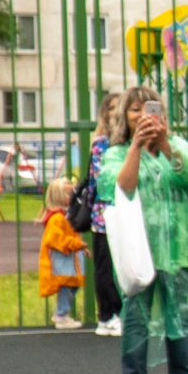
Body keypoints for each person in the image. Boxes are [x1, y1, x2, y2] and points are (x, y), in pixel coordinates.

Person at [100, 86, 188, 374]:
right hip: (139, 251)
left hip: (177, 247)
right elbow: (120, 187)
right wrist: (137, 147)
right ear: (124, 116)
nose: (142, 116)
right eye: (134, 110)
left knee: (179, 319)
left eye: (148, 109)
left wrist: (166, 146)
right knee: (137, 318)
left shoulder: (177, 147)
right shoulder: (115, 153)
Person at [86, 93, 127, 337]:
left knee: (124, 264)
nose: (115, 112)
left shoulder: (128, 141)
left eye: (118, 107)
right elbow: (102, 180)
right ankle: (107, 314)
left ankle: (120, 313)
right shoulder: (102, 143)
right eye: (111, 108)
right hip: (104, 213)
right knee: (105, 265)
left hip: (126, 212)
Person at [39, 178, 87, 330]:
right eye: (68, 193)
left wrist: (80, 247)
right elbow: (56, 239)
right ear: (58, 196)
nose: (72, 196)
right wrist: (76, 244)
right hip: (63, 259)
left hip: (71, 258)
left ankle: (63, 313)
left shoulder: (66, 215)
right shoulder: (56, 218)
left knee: (72, 285)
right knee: (66, 286)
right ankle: (61, 314)